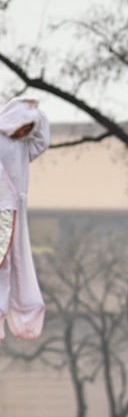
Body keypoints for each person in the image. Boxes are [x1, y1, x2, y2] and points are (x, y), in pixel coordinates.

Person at [0, 98, 50, 341]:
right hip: (3, 208)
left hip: (16, 207)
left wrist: (38, 117)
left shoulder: (21, 143)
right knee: (4, 264)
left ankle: (25, 318)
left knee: (19, 264)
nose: (24, 132)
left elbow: (42, 142)